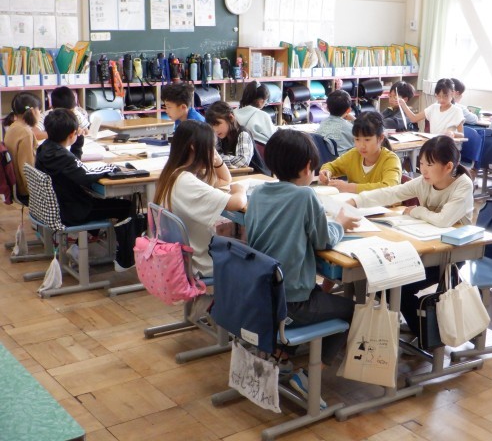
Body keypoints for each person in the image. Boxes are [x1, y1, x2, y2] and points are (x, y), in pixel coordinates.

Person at [245, 129, 359, 407]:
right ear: (308, 167)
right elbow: (324, 239)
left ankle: (282, 356)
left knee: (319, 292)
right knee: (354, 310)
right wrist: (340, 223)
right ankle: (310, 375)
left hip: (262, 295)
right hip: (291, 303)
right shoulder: (305, 197)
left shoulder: (257, 193)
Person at [347, 136, 474, 336]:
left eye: (429, 165)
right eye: (421, 163)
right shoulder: (424, 182)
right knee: (382, 283)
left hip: (452, 256)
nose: (423, 170)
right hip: (427, 248)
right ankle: (426, 329)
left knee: (395, 287)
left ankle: (428, 334)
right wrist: (357, 201)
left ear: (448, 167)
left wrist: (416, 210)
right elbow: (392, 193)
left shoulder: (463, 185)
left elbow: (443, 220)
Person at [154, 120, 247, 323]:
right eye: (211, 147)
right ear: (194, 147)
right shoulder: (187, 183)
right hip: (202, 261)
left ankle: (215, 305)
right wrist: (241, 190)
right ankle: (220, 309)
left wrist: (217, 161)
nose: (214, 152)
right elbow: (237, 202)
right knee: (255, 252)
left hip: (185, 255)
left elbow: (224, 181)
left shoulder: (174, 174)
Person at [35, 109, 132, 269]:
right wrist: (111, 167)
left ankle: (79, 246)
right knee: (126, 207)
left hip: (61, 206)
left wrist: (78, 142)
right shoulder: (62, 156)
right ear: (72, 133)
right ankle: (125, 258)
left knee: (102, 202)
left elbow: (74, 167)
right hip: (73, 211)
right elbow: (85, 175)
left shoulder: (46, 148)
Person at [318, 112, 401, 193]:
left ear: (380, 138)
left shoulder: (390, 160)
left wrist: (350, 187)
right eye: (357, 139)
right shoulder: (354, 154)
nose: (362, 146)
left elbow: (390, 187)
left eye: (367, 140)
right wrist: (327, 172)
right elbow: (332, 166)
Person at [205, 101, 268, 173]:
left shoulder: (243, 133)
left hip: (255, 175)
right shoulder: (220, 136)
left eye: (217, 124)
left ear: (231, 118)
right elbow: (214, 155)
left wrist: (217, 160)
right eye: (211, 126)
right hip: (237, 175)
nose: (214, 129)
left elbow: (243, 161)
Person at [4, 93, 40, 205]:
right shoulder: (25, 132)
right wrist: (35, 193)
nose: (40, 113)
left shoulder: (13, 126)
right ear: (33, 111)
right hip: (24, 191)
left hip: (14, 184)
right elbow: (27, 168)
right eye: (39, 110)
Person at [398, 78, 464, 137]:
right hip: (435, 143)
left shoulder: (457, 111)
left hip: (448, 144)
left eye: (445, 96)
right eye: (438, 96)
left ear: (452, 93)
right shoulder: (433, 108)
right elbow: (414, 118)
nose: (441, 100)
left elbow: (462, 135)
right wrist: (403, 104)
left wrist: (453, 134)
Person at [37, 86, 90, 158]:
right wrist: (61, 134)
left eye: (71, 111)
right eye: (64, 113)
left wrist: (80, 132)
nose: (68, 115)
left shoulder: (76, 113)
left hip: (71, 148)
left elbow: (86, 131)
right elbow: (35, 133)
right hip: (54, 153)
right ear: (52, 108)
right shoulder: (47, 115)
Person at [233, 80, 277, 144]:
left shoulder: (233, 113)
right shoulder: (263, 116)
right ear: (260, 101)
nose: (265, 103)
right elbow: (273, 137)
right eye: (266, 100)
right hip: (261, 149)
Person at [315, 89, 354, 155]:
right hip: (341, 160)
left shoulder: (323, 122)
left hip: (323, 159)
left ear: (327, 108)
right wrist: (355, 120)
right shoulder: (350, 127)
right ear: (348, 110)